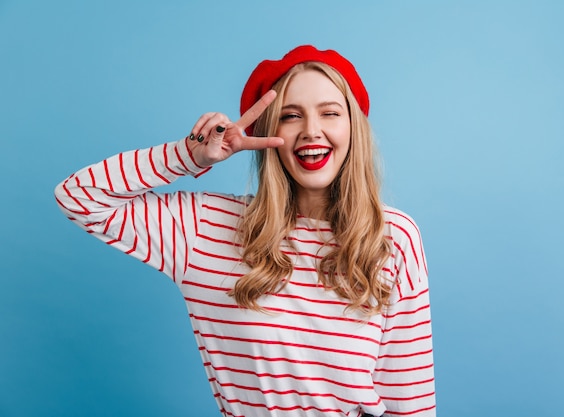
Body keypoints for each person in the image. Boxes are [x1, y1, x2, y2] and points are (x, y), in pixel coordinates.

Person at [55, 45, 435, 417]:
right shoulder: (205, 229)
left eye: (330, 113)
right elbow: (78, 196)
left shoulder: (392, 237)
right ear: (269, 133)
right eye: (290, 116)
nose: (311, 131)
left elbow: (410, 403)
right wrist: (189, 155)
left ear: (354, 128)